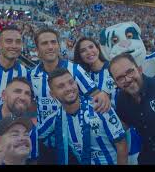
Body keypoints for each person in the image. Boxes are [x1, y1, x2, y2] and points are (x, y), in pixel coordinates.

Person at [30, 28, 110, 163]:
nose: (50, 47)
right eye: (44, 43)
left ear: (58, 45)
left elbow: (97, 97)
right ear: (37, 50)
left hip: (74, 145)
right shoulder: (32, 74)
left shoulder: (74, 69)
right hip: (46, 144)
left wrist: (104, 96)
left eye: (53, 42)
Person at [38, 68, 128, 165]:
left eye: (71, 82)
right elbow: (36, 136)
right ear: (53, 94)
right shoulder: (56, 119)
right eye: (61, 86)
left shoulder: (99, 106)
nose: (69, 88)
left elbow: (121, 145)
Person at [73, 37, 141, 164]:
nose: (88, 52)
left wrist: (126, 121)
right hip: (99, 134)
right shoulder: (81, 76)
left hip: (124, 129)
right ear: (80, 56)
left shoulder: (114, 68)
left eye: (91, 47)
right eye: (83, 50)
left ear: (98, 48)